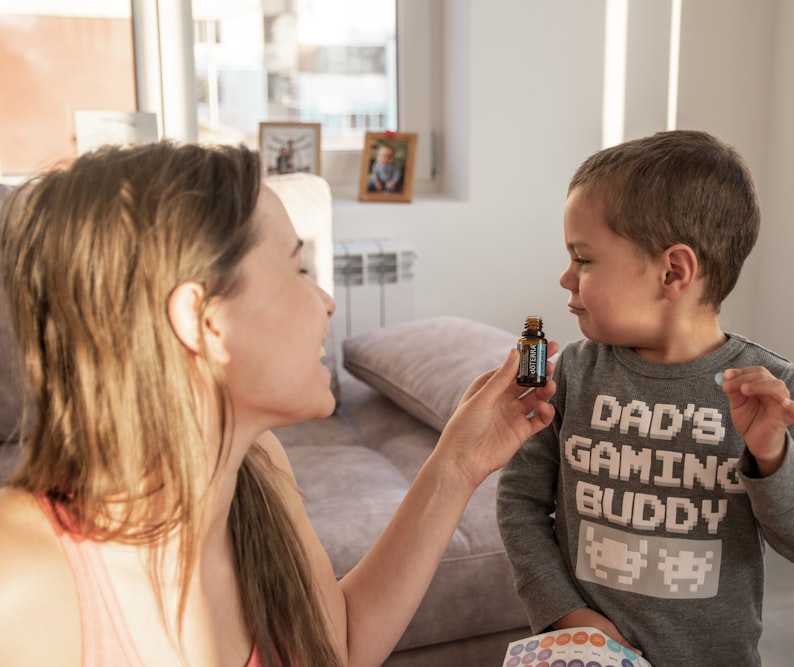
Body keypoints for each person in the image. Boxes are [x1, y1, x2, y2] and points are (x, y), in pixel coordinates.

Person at [0, 140, 557, 667]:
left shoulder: (259, 468)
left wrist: (455, 466)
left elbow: (335, 644)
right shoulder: (23, 579)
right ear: (204, 320)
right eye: (298, 270)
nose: (327, 301)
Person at [496, 130, 794, 666]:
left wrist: (773, 455)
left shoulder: (772, 390)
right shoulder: (570, 374)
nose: (566, 277)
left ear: (673, 272)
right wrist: (569, 616)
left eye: (584, 260)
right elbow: (519, 502)